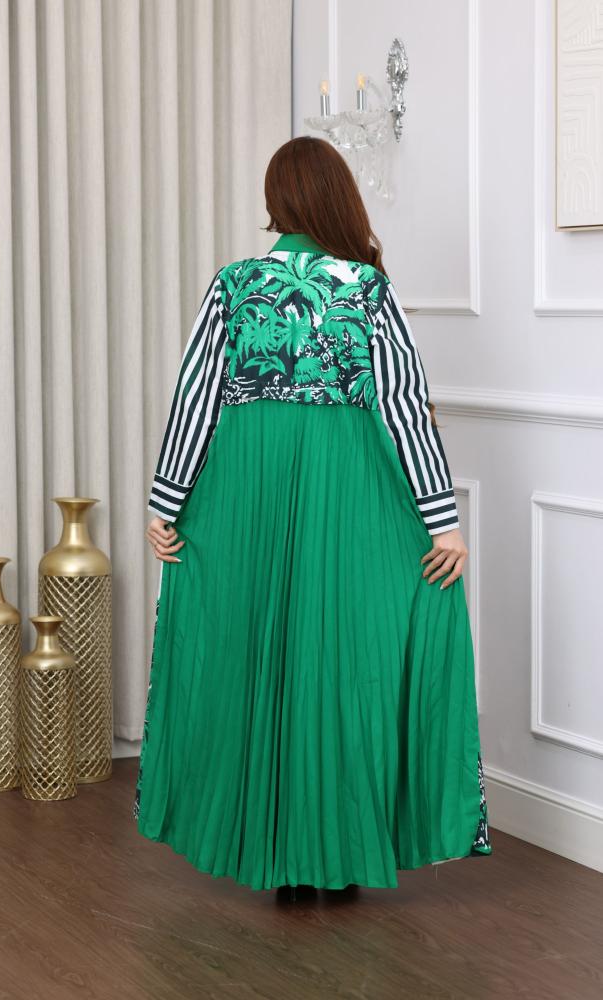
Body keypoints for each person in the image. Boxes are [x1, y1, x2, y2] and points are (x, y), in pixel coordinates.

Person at [133, 135, 492, 902]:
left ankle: (279, 860)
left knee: (256, 657)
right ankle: (337, 856)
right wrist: (441, 521)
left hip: (242, 492)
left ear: (276, 202)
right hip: (349, 490)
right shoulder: (366, 289)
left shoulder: (233, 285)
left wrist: (166, 501)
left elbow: (195, 397)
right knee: (340, 659)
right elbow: (402, 406)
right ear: (337, 199)